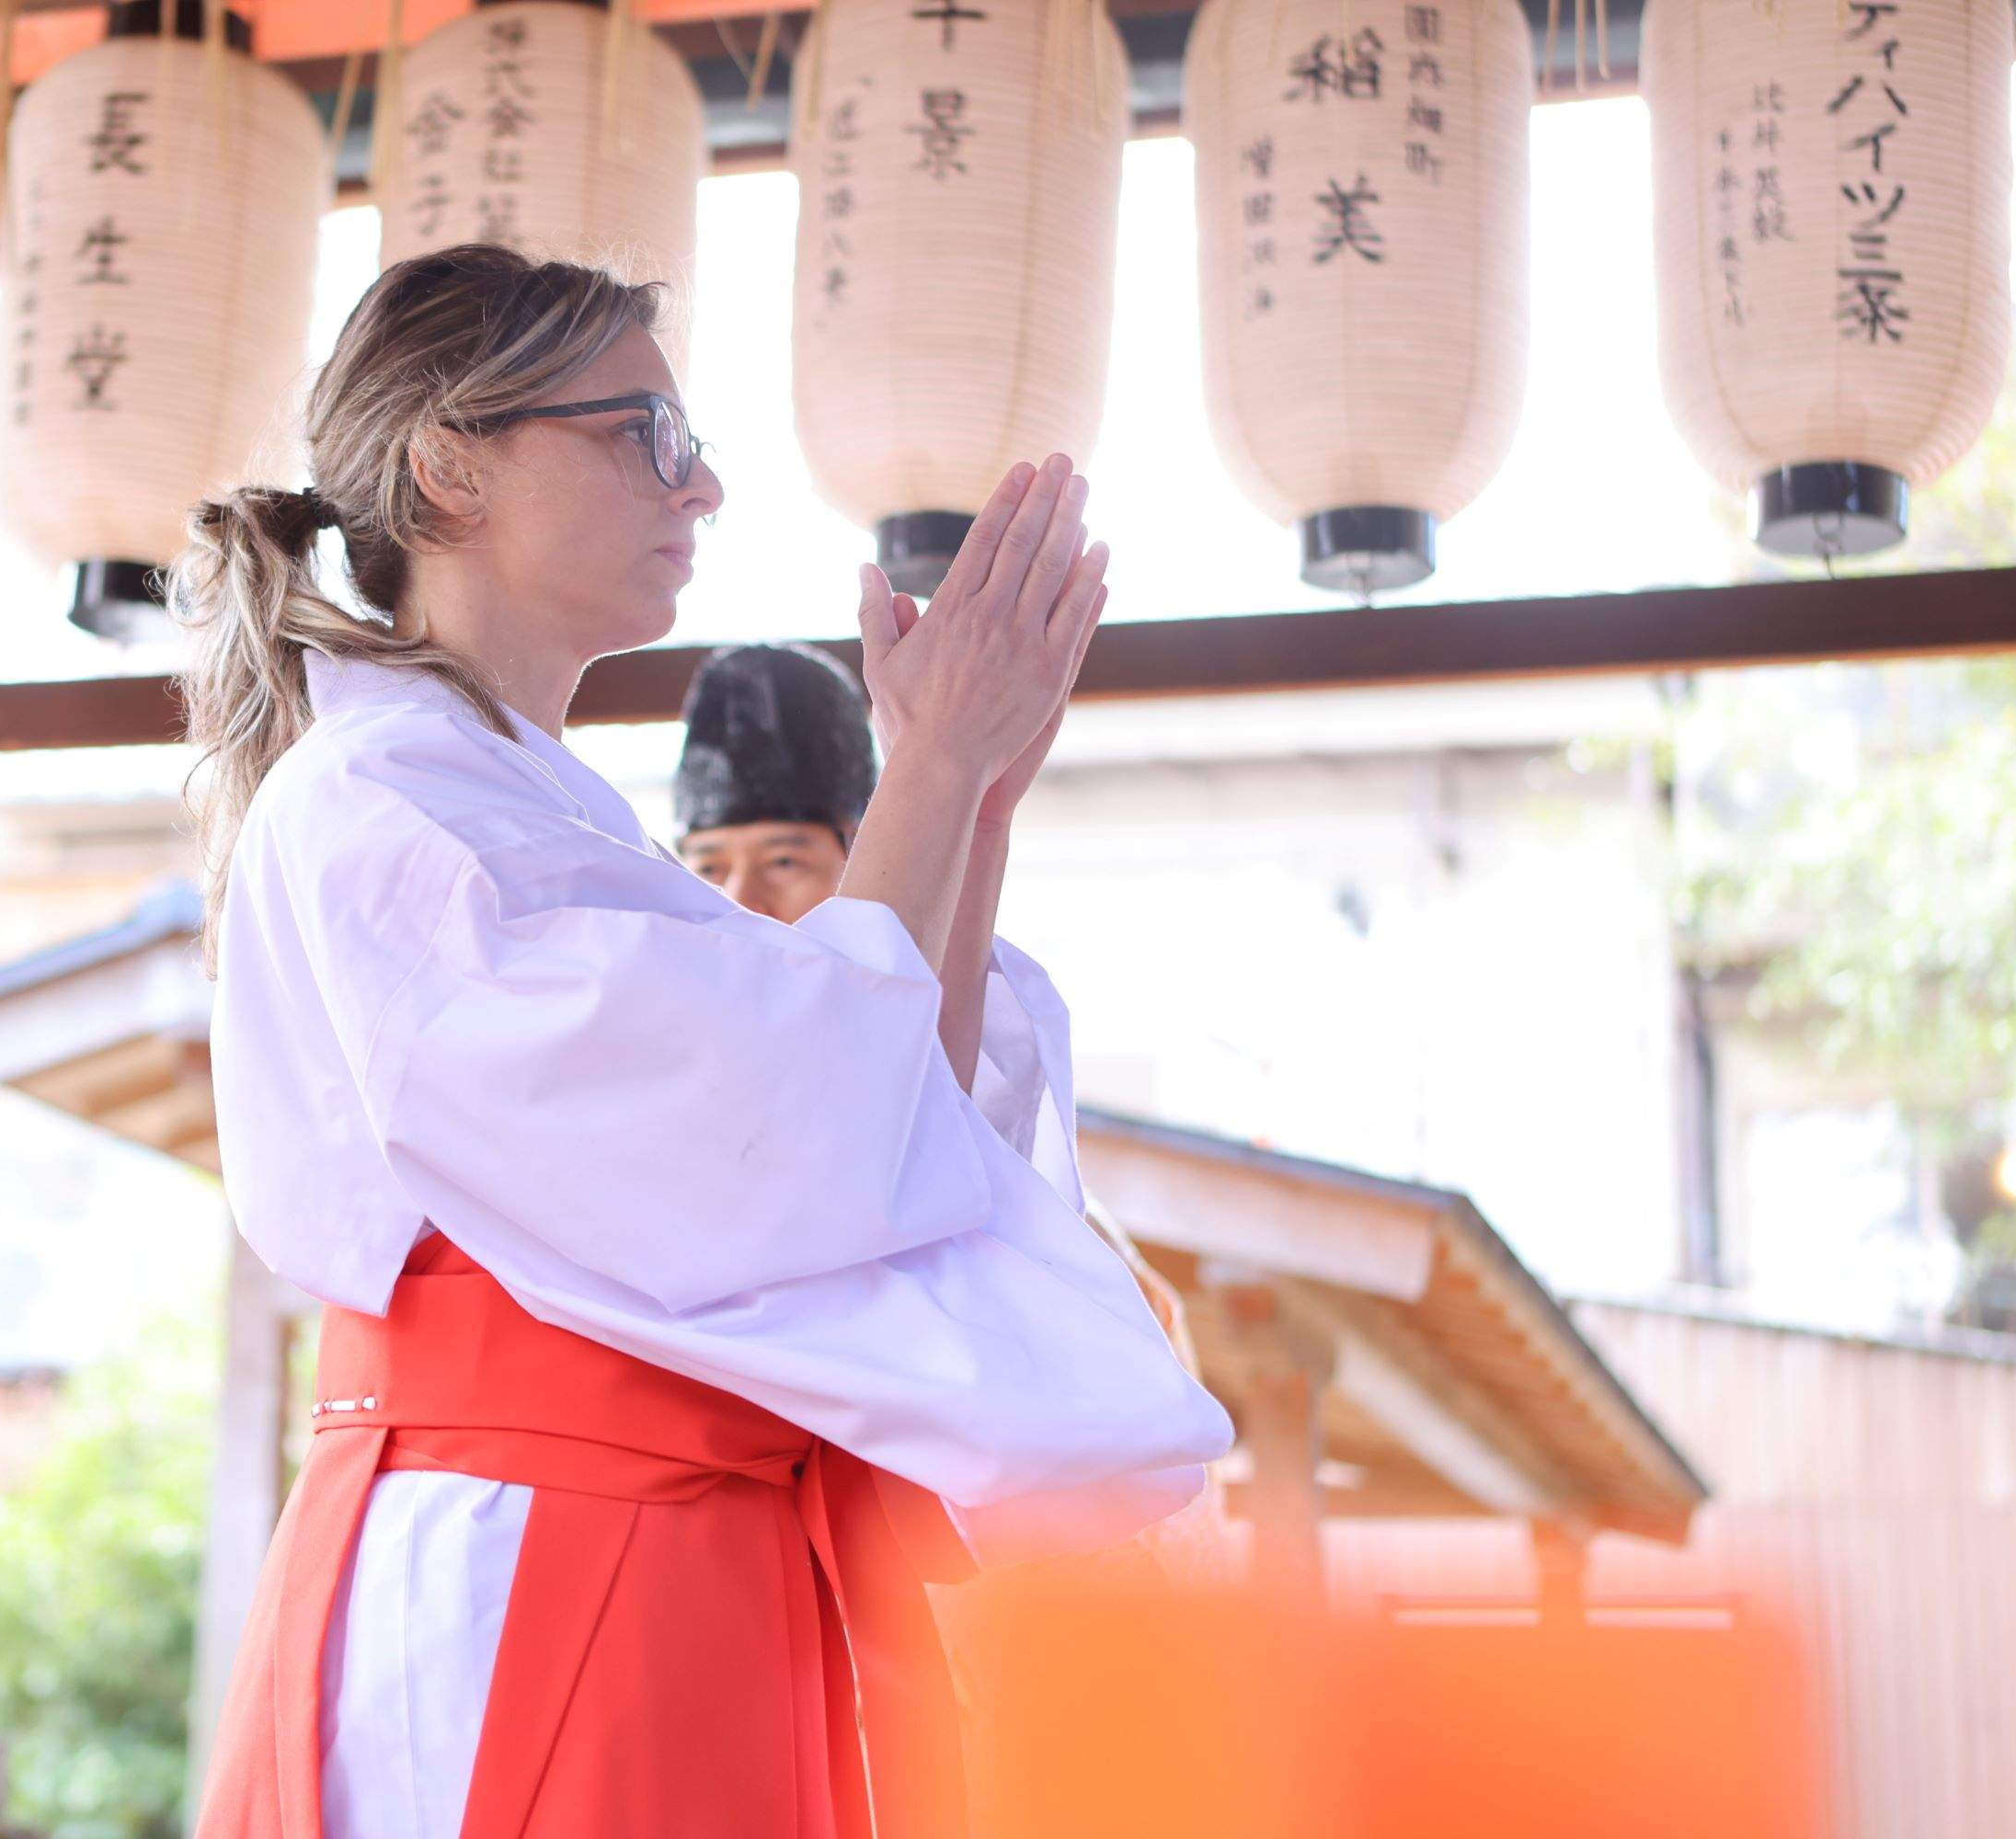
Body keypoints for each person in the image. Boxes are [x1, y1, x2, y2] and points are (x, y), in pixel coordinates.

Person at [174, 244, 1232, 1839]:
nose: (705, 486)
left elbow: (882, 1136)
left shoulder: (518, 806)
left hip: (661, 1531)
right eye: (647, 437)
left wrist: (975, 793)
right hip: (528, 1546)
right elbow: (790, 1134)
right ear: (453, 464)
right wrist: (930, 772)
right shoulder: (390, 803)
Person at [675, 643, 1200, 1373]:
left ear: (867, 854)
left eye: (785, 861)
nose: (741, 898)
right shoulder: (666, 1062)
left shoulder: (969, 1022)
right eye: (708, 866)